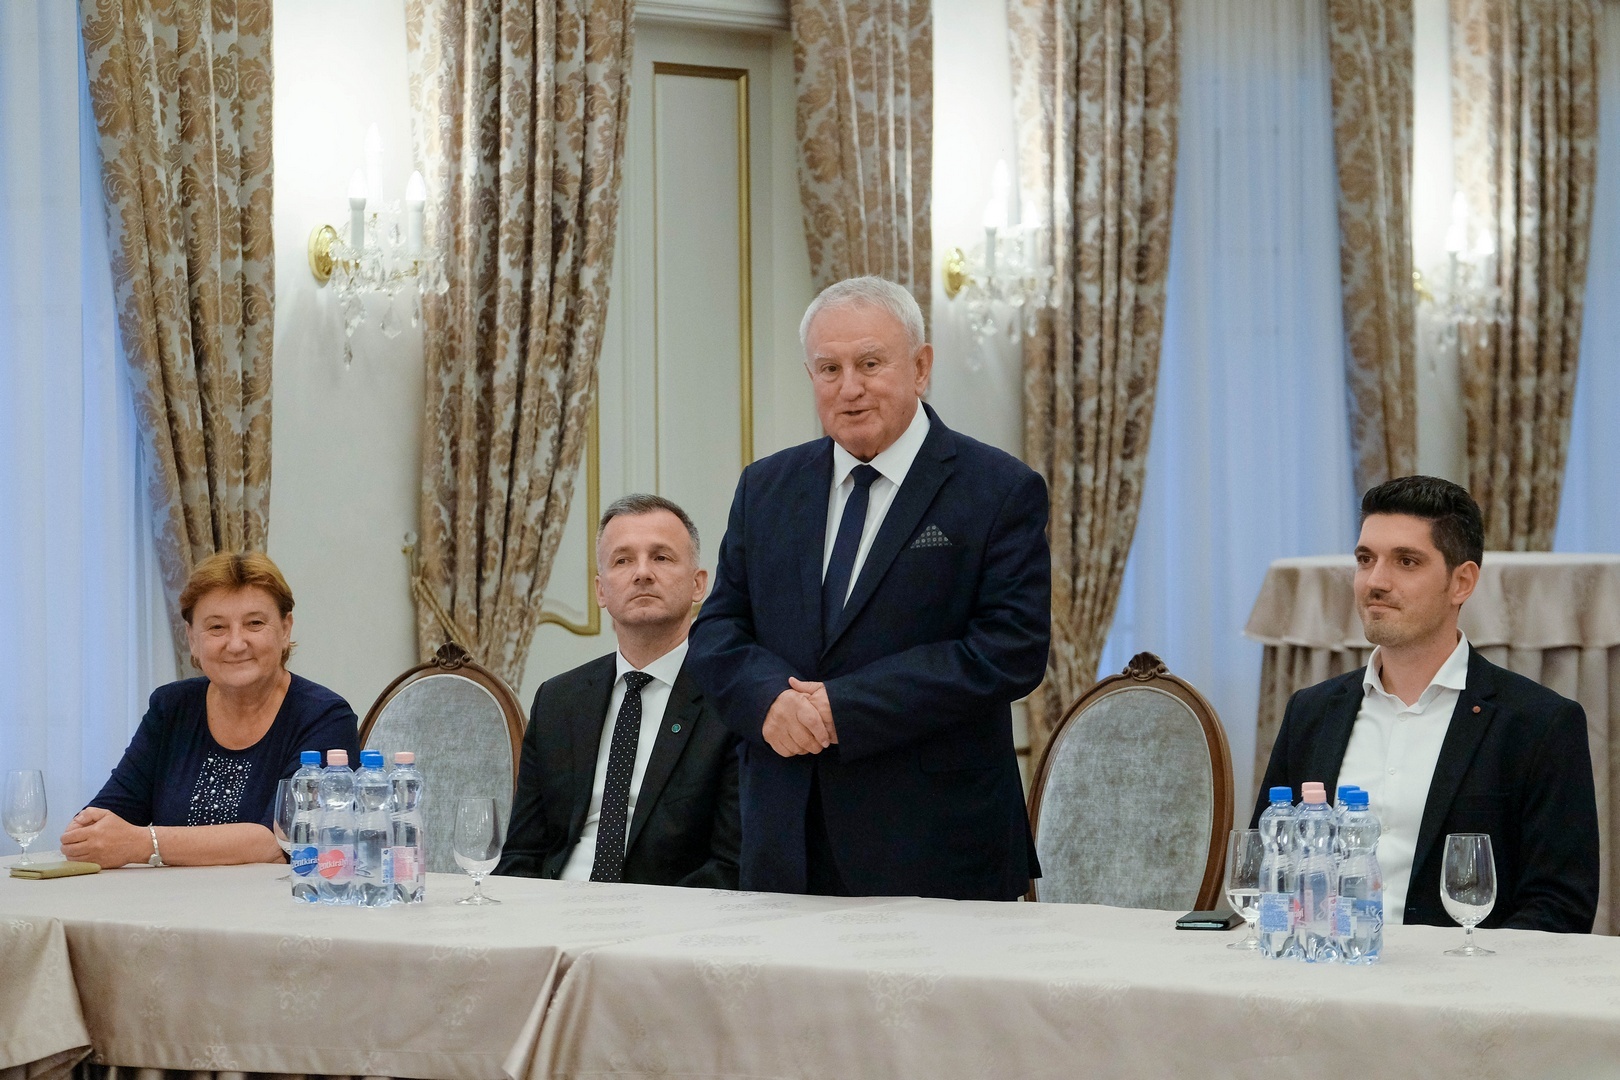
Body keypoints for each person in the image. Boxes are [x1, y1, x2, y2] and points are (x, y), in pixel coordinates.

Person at [687, 276, 1051, 900]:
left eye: (870, 364)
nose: (849, 388)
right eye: (829, 368)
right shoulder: (765, 487)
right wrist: (770, 700)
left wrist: (845, 708)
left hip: (936, 846)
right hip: (784, 838)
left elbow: (1009, 650)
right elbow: (719, 629)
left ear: (921, 367)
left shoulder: (998, 489)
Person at [1253, 475, 1599, 933]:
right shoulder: (1311, 712)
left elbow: (1560, 906)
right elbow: (1268, 867)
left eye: (1406, 562)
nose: (1376, 581)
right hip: (1324, 967)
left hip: (1469, 974)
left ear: (1461, 582)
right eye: (1365, 559)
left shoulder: (1539, 723)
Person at [496, 494, 740, 887]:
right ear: (600, 591)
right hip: (554, 907)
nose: (642, 573)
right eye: (623, 560)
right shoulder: (558, 700)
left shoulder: (730, 700)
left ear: (698, 584)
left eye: (661, 557)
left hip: (669, 913)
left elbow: (731, 866)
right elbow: (522, 854)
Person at [63, 552, 360, 868]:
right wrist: (90, 836)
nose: (236, 643)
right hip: (169, 897)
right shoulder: (171, 707)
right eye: (217, 627)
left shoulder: (325, 716)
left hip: (271, 898)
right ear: (192, 638)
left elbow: (283, 840)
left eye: (254, 624)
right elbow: (102, 822)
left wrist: (142, 843)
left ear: (285, 630)